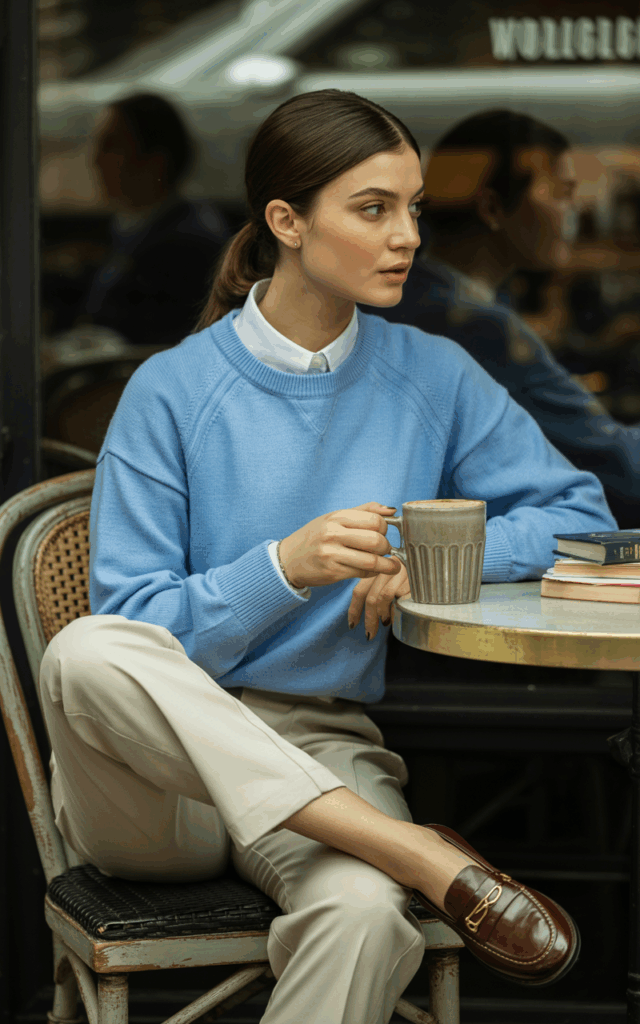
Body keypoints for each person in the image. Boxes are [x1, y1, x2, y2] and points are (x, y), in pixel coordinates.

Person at [40, 90, 615, 1024]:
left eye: (415, 207)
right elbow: (134, 624)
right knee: (87, 651)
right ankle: (424, 853)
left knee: (364, 919)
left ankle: (387, 856)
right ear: (287, 222)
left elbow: (577, 513)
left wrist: (425, 554)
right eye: (374, 208)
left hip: (319, 744)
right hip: (151, 793)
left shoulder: (432, 373)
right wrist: (284, 567)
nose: (409, 238)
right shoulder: (171, 389)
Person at [367, 109, 640, 529]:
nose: (576, 211)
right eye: (562, 192)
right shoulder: (471, 323)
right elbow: (615, 462)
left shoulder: (417, 294)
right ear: (493, 206)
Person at [43, 93, 230, 346]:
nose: (96, 160)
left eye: (111, 146)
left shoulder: (186, 245)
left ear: (156, 161)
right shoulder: (135, 229)